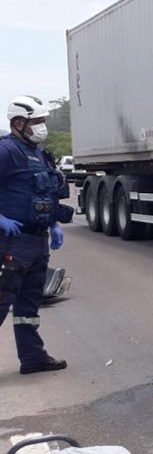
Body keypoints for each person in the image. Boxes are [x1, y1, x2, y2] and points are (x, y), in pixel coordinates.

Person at [0, 95, 74, 374]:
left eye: (42, 121)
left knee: (29, 306)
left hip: (37, 240)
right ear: (19, 123)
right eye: (37, 121)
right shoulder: (7, 151)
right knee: (2, 300)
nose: (42, 127)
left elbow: (46, 192)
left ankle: (33, 358)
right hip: (11, 240)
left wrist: (54, 222)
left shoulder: (41, 155)